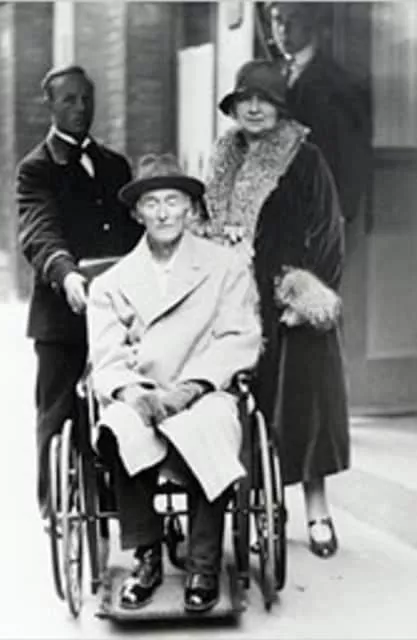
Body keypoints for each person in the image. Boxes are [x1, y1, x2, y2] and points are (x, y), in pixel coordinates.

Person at [87, 154, 261, 612]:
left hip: (204, 389)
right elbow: (106, 355)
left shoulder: (225, 267)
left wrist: (193, 386)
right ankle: (147, 557)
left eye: (173, 201)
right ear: (136, 213)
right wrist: (133, 393)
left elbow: (238, 336)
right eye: (152, 203)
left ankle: (203, 564)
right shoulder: (111, 284)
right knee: (119, 428)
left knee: (210, 428)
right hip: (143, 391)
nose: (163, 213)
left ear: (189, 208)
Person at [202, 59, 349, 558]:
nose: (254, 109)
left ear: (280, 109)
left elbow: (328, 232)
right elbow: (206, 225)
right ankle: (266, 506)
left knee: (305, 407)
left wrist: (308, 297)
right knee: (250, 406)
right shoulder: (223, 157)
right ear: (234, 107)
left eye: (264, 100)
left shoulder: (305, 158)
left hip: (289, 300)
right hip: (239, 301)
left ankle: (318, 511)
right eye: (245, 100)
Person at [16, 65, 142, 519]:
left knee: (122, 403)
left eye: (86, 99)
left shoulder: (115, 165)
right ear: (49, 105)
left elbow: (134, 235)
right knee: (58, 410)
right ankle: (55, 507)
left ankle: (117, 494)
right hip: (63, 314)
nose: (80, 108)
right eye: (68, 99)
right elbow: (39, 231)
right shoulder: (36, 169)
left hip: (117, 313)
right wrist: (66, 274)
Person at [267, 1, 371, 229]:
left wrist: (340, 213)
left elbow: (352, 153)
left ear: (311, 21)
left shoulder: (338, 82)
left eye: (293, 18)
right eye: (278, 20)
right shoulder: (271, 76)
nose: (284, 29)